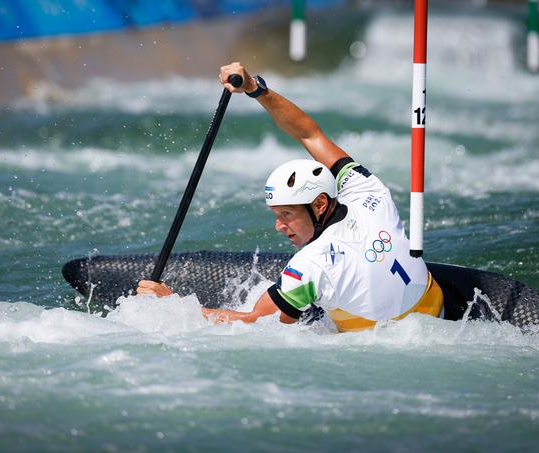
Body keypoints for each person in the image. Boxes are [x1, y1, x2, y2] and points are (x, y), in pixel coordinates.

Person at [137, 62, 444, 332]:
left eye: (287, 215)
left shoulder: (310, 266)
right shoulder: (368, 191)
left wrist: (173, 304)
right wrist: (256, 89)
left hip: (390, 351)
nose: (279, 227)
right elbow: (310, 134)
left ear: (320, 204)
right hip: (441, 318)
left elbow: (253, 324)